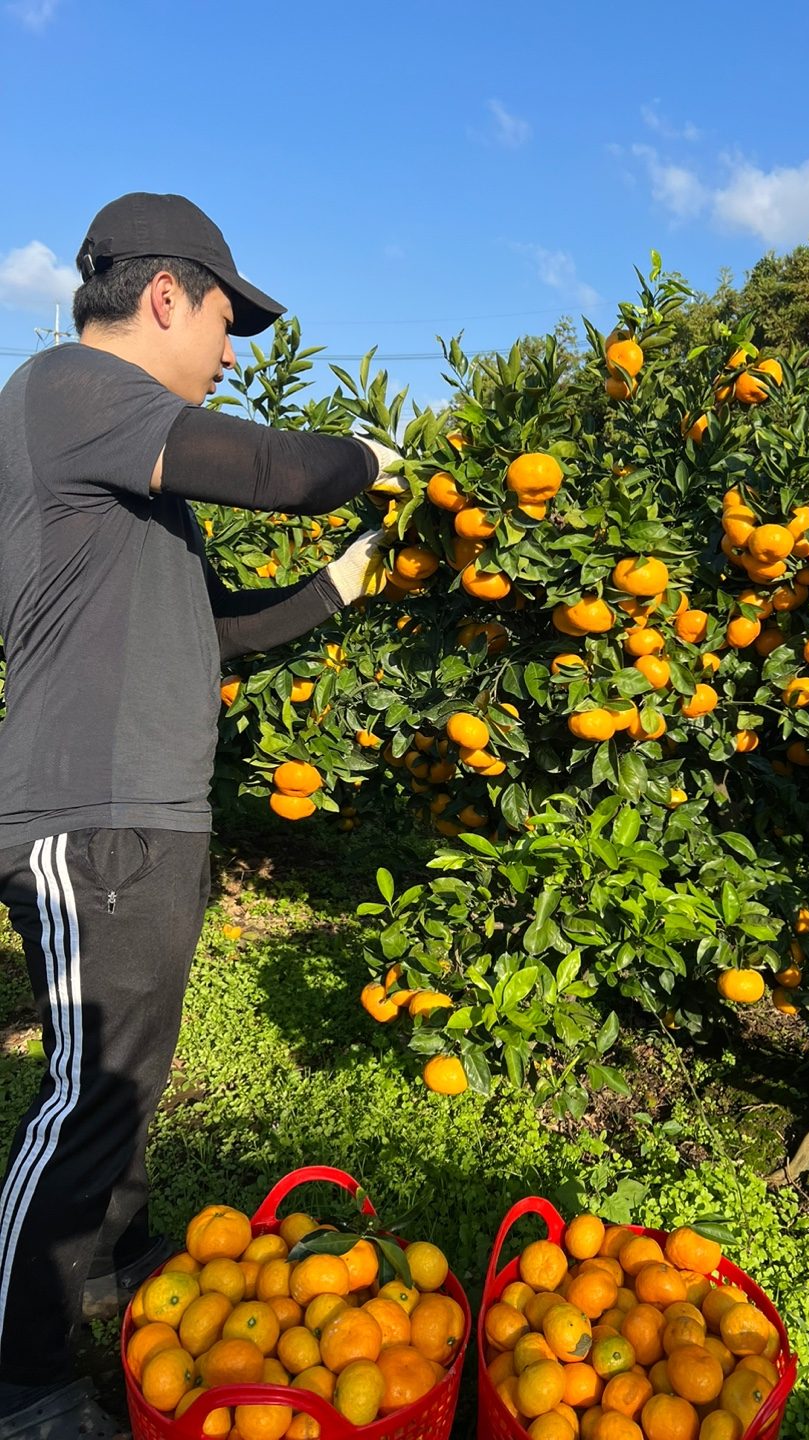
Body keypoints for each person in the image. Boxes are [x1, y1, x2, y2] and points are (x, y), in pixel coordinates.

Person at [0, 192, 397, 1436]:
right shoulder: (69, 389)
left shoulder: (132, 481)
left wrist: (341, 585)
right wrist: (375, 460)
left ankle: (110, 1275)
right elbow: (279, 469)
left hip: (143, 811)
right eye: (228, 323)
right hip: (93, 811)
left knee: (126, 1084)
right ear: (165, 295)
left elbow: (213, 633)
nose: (231, 354)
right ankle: (16, 1371)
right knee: (89, 1094)